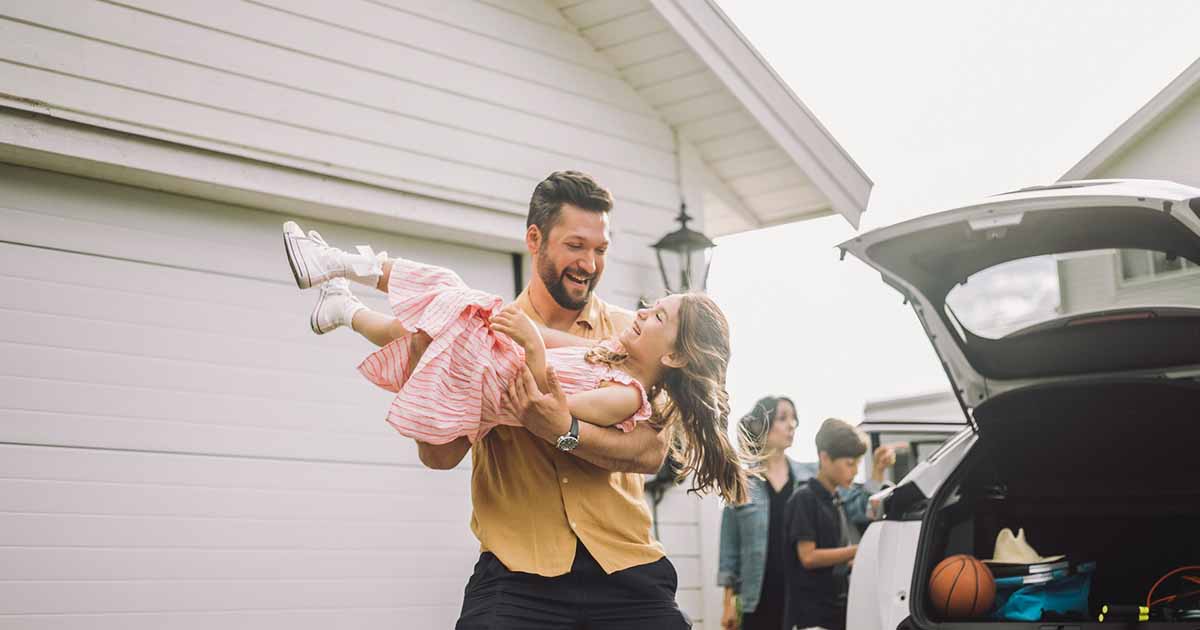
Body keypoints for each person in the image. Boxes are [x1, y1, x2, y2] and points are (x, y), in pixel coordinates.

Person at [286, 170, 743, 628]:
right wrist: (426, 368)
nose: (589, 263)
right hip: (519, 573)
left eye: (600, 249)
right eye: (575, 245)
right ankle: (345, 298)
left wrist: (562, 432)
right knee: (426, 318)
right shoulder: (504, 327)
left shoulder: (632, 337)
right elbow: (439, 456)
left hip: (623, 566)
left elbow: (648, 453)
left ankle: (345, 294)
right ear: (535, 238)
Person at [717, 395, 814, 630]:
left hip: (803, 597)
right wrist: (728, 604)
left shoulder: (809, 478)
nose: (791, 425)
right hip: (758, 598)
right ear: (763, 426)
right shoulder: (742, 483)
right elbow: (730, 550)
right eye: (783, 418)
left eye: (794, 419)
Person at [783, 418, 868, 630]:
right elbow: (808, 557)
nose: (855, 471)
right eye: (850, 463)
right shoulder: (804, 498)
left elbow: (835, 560)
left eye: (857, 463)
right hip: (811, 617)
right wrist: (858, 550)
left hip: (837, 612)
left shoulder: (836, 499)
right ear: (825, 458)